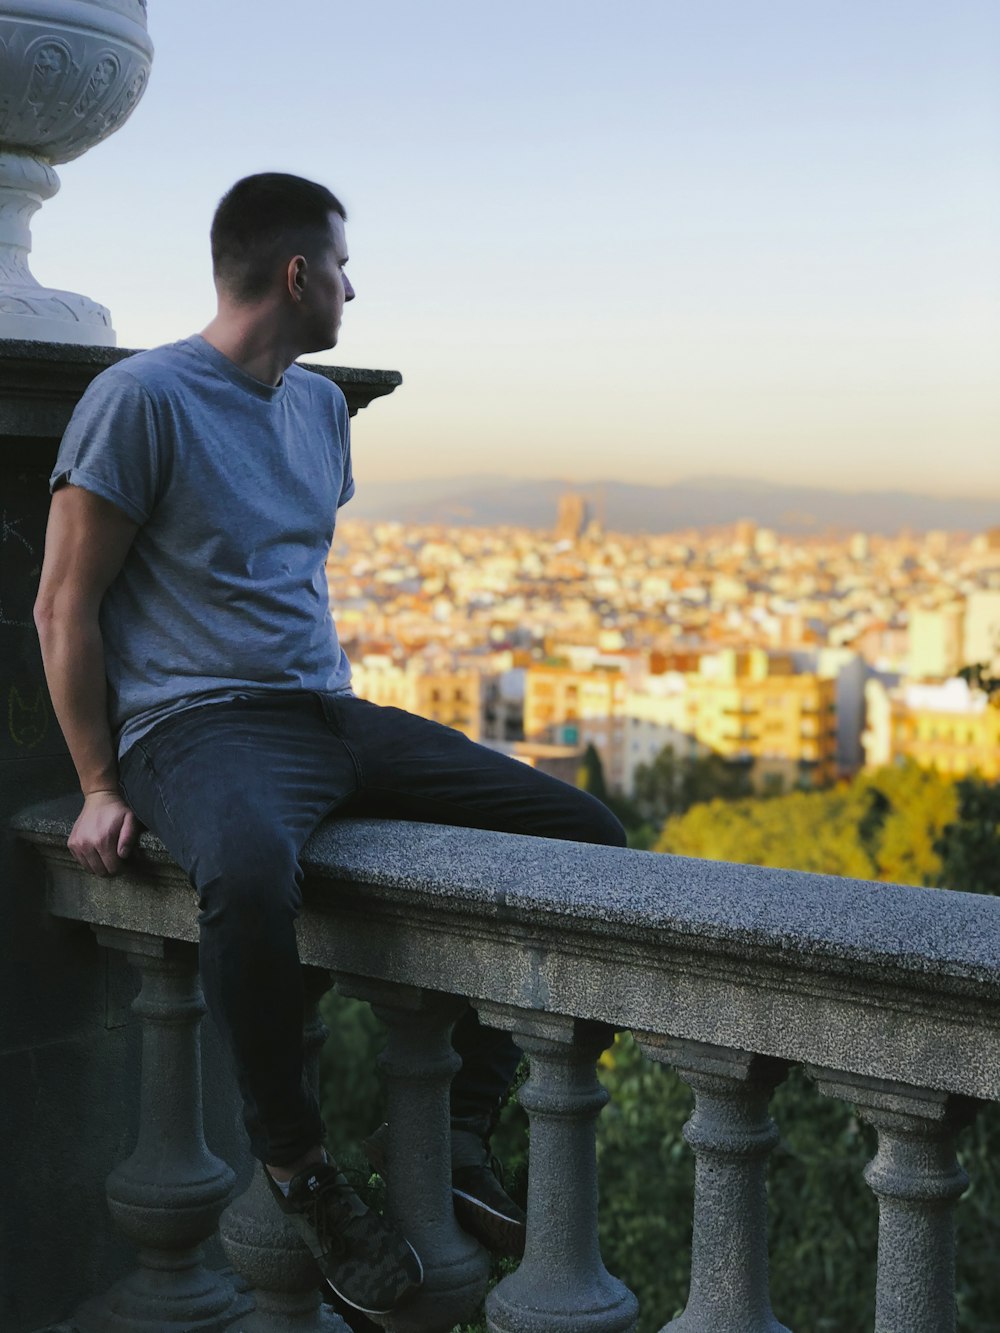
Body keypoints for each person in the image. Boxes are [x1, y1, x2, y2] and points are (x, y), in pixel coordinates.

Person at [34, 172, 627, 1318]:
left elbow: (286, 574)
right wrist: (100, 783)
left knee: (588, 833)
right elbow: (64, 603)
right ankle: (302, 1172)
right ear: (298, 275)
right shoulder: (140, 398)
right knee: (250, 876)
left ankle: (459, 1124)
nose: (356, 287)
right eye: (344, 267)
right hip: (195, 727)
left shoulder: (315, 410)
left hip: (326, 714)